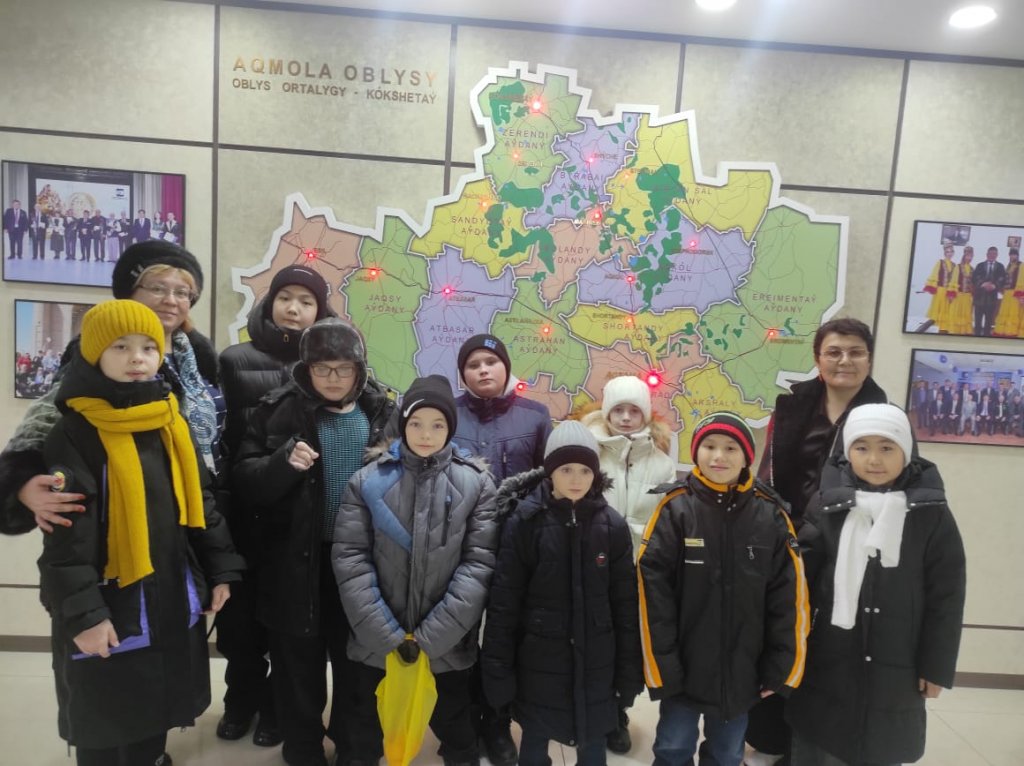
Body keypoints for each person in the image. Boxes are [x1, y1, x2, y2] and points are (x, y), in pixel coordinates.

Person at [37, 299, 245, 766]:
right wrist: (85, 616)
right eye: (121, 347)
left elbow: (201, 503)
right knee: (104, 714)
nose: (137, 358)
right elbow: (66, 540)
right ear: (95, 354)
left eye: (149, 347)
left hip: (169, 591)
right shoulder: (75, 431)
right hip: (112, 600)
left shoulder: (169, 420)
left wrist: (221, 569)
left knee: (156, 705)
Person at [233, 318, 397, 766]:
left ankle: (355, 747)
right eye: (322, 368)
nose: (333, 378)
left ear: (360, 369)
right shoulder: (277, 410)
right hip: (294, 562)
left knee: (359, 663)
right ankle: (303, 748)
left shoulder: (382, 411)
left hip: (363, 563)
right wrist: (282, 464)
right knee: (296, 665)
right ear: (305, 369)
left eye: (344, 368)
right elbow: (245, 481)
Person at [0, 240, 223, 537]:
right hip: (133, 514)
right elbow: (48, 416)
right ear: (130, 292)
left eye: (182, 292)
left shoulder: (200, 356)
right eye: (157, 288)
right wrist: (19, 483)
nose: (171, 300)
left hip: (204, 506)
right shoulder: (97, 351)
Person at [786, 404, 966, 765]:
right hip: (828, 655)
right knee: (820, 743)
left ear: (906, 451)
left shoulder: (930, 512)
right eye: (862, 447)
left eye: (886, 447)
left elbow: (946, 597)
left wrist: (936, 667)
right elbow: (798, 583)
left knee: (881, 746)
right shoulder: (827, 505)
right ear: (847, 451)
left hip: (898, 661)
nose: (873, 460)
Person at [335, 374, 499, 766]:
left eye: (438, 425)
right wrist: (386, 635)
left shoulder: (476, 484)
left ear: (451, 429)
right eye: (417, 423)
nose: (426, 434)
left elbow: (478, 564)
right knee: (365, 725)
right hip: (376, 641)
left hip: (446, 644)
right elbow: (351, 559)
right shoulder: (367, 481)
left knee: (456, 723)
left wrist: (430, 638)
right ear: (403, 424)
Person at [750, 317, 887, 763]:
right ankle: (773, 737)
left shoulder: (883, 415)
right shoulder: (791, 407)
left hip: (847, 546)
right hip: (787, 540)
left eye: (855, 351)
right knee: (781, 634)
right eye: (834, 352)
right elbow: (767, 472)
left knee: (828, 647)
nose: (845, 360)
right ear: (818, 358)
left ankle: (810, 745)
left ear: (869, 359)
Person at [637, 412, 808, 766]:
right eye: (710, 446)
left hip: (743, 672)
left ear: (747, 457)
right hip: (682, 668)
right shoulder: (675, 509)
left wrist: (780, 665)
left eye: (731, 448)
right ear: (695, 453)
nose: (719, 456)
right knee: (672, 747)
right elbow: (652, 593)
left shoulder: (771, 515)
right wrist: (661, 665)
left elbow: (789, 599)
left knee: (728, 752)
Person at [213, 265, 333, 747]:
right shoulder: (234, 359)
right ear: (269, 302)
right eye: (286, 297)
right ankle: (239, 701)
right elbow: (220, 438)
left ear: (320, 312)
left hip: (298, 521)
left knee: (286, 628)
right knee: (239, 626)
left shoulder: (329, 366)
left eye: (307, 301)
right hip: (244, 512)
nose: (294, 308)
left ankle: (274, 710)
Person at [481, 420, 642, 766]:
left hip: (598, 661)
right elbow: (504, 604)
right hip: (539, 660)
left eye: (585, 470)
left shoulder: (612, 526)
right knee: (535, 738)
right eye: (566, 469)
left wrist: (629, 671)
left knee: (592, 740)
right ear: (549, 471)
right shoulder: (525, 523)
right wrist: (498, 671)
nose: (576, 479)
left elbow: (625, 606)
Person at [451, 333, 553, 766]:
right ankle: (460, 726)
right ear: (463, 374)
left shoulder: (536, 415)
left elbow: (549, 480)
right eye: (473, 364)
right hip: (458, 549)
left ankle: (496, 724)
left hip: (517, 549)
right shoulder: (448, 413)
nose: (483, 370)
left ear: (506, 368)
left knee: (504, 639)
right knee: (459, 638)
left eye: (491, 362)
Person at [577, 372, 675, 753]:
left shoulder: (662, 463)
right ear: (606, 412)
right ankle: (589, 711)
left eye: (634, 410)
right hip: (593, 562)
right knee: (592, 641)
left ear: (645, 414)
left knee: (627, 646)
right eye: (618, 410)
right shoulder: (590, 454)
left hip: (639, 569)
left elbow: (666, 516)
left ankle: (618, 713)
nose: (626, 417)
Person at [972, 246, 1006, 336]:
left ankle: (986, 339)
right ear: (987, 254)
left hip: (992, 299)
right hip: (979, 299)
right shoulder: (979, 265)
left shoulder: (1000, 266)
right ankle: (976, 338)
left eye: (994, 254)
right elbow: (974, 278)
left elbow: (1002, 279)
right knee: (977, 322)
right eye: (990, 253)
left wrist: (994, 285)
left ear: (997, 255)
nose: (992, 255)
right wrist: (983, 284)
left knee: (988, 323)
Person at [922, 244, 957, 333]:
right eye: (947, 252)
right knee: (938, 309)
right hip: (940, 290)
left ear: (953, 253)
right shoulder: (940, 262)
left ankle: (944, 328)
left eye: (951, 252)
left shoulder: (954, 265)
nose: (949, 254)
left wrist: (952, 292)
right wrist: (933, 286)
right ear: (945, 253)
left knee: (946, 309)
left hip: (948, 291)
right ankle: (936, 327)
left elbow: (954, 280)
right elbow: (935, 274)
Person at [993, 247, 1022, 337]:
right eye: (1011, 255)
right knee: (1004, 311)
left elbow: (1021, 279)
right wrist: (1001, 289)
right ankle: (1003, 331)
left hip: (1015, 293)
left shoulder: (1021, 265)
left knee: (1013, 312)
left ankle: (1011, 332)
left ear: (1017, 256)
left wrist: (1020, 294)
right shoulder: (1008, 266)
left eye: (1014, 255)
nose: (1013, 256)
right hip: (1007, 294)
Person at [948, 246, 974, 335]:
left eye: (971, 256)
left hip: (967, 297)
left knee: (966, 315)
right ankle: (954, 332)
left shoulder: (972, 269)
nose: (969, 258)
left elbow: (973, 283)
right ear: (964, 255)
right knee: (956, 314)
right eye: (968, 256)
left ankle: (963, 332)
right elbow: (954, 280)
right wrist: (951, 294)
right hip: (958, 296)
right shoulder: (958, 267)